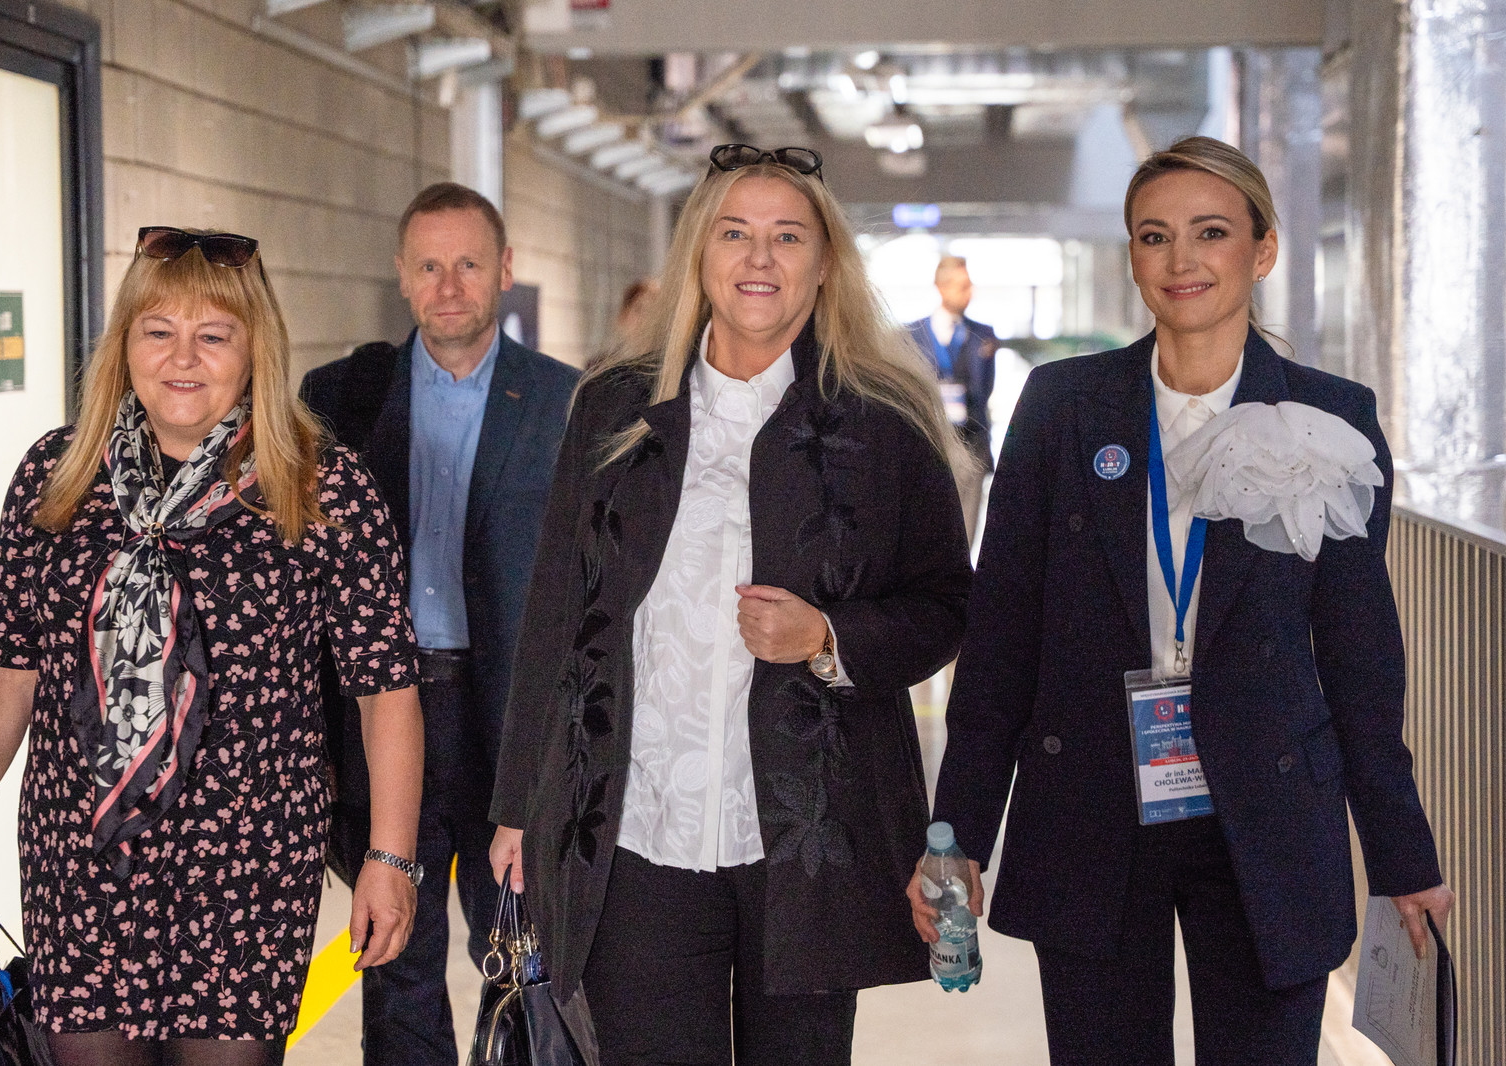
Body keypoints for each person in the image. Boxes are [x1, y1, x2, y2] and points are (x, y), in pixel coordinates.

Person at [918, 136, 1453, 1065]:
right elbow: (1003, 639)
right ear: (1132, 254)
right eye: (1154, 236)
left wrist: (1402, 855)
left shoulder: (1332, 419)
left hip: (1267, 809)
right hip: (1093, 800)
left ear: (1262, 249)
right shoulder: (1063, 406)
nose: (1181, 260)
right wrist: (958, 833)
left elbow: (1361, 660)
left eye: (1211, 232)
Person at [489, 143, 973, 1066]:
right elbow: (554, 611)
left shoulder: (884, 422)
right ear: (698, 256)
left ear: (824, 264)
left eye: (787, 237)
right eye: (735, 233)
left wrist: (828, 637)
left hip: (807, 843)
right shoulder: (615, 409)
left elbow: (946, 605)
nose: (759, 258)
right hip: (636, 829)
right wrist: (519, 805)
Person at [0, 227, 423, 1066]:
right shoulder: (57, 479)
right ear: (125, 344)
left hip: (249, 869)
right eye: (158, 331)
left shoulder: (320, 488)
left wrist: (390, 858)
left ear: (255, 349)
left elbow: (387, 691)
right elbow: (4, 675)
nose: (182, 358)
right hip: (82, 865)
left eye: (213, 335)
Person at [300, 182, 579, 1066]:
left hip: (509, 720)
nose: (448, 286)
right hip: (386, 712)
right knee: (396, 959)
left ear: (505, 269)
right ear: (401, 274)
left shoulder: (567, 402)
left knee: (520, 954)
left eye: (467, 264)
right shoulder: (341, 398)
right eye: (428, 266)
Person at [908, 257, 997, 540]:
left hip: (971, 445)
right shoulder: (911, 335)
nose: (968, 293)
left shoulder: (983, 335)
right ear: (941, 287)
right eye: (962, 286)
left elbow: (985, 388)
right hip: (927, 445)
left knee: (965, 532)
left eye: (969, 286)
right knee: (925, 531)